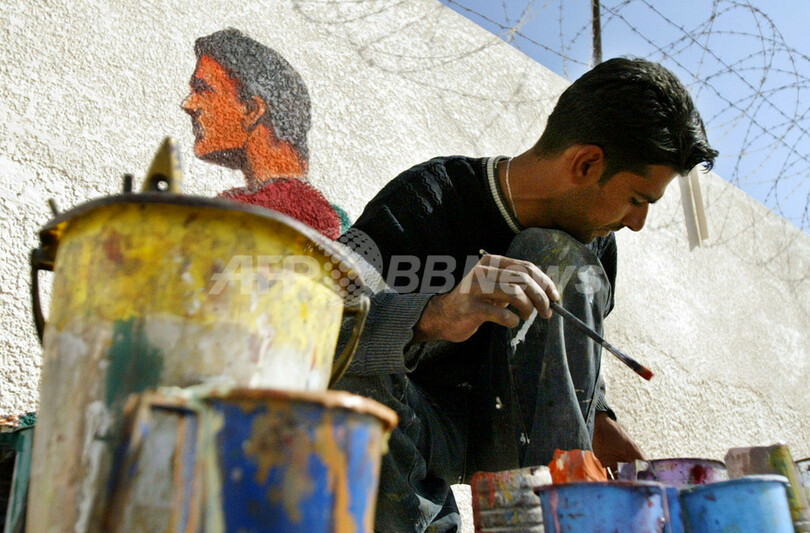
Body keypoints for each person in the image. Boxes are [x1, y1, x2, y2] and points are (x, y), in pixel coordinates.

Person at [333, 57, 718, 532]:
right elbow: (311, 315)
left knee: (555, 255)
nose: (637, 222)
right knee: (347, 379)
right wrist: (434, 314)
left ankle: (562, 514)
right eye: (637, 199)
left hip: (521, 440)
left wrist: (600, 419)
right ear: (586, 164)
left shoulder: (596, 245)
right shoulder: (427, 199)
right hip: (419, 424)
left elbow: (575, 362)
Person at [182, 28, 344, 239]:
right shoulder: (315, 214)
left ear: (252, 110)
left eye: (203, 90)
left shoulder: (284, 213)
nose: (188, 104)